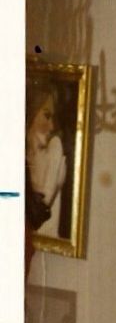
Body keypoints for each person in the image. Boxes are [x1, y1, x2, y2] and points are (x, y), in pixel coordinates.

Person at [25, 79, 67, 239]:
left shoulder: (54, 147)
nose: (52, 126)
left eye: (52, 118)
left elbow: (38, 214)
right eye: (46, 116)